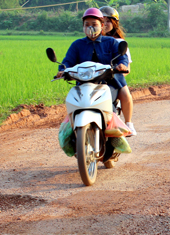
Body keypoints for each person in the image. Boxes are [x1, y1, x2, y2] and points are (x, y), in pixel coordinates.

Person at [56, 8, 134, 139]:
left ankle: (125, 125)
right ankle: (75, 131)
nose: (90, 27)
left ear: (101, 26)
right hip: (84, 84)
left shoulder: (112, 42)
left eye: (94, 24)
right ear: (83, 27)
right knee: (73, 102)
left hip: (108, 83)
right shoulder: (77, 45)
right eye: (87, 25)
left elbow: (122, 58)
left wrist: (122, 64)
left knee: (122, 94)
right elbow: (68, 61)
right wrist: (62, 70)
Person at [99, 5, 137, 136]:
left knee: (125, 93)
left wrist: (122, 67)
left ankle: (128, 123)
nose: (105, 24)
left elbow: (127, 67)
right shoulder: (91, 42)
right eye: (102, 21)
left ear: (114, 23)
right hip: (95, 77)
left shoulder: (119, 42)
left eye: (108, 21)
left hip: (114, 78)